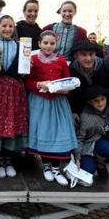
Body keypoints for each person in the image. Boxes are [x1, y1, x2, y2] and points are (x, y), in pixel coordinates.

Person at [24, 31, 77, 186]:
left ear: (56, 45)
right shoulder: (32, 59)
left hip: (58, 102)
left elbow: (67, 81)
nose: (48, 46)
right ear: (39, 44)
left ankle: (56, 168)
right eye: (45, 43)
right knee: (44, 132)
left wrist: (63, 88)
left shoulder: (61, 61)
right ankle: (46, 166)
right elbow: (27, 81)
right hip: (39, 101)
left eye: (52, 43)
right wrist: (39, 84)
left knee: (58, 133)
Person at [0, 15, 28, 179]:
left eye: (11, 26)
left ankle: (8, 160)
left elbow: (23, 73)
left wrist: (26, 66)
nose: (7, 29)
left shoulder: (20, 46)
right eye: (4, 26)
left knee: (12, 122)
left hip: (15, 91)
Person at [68, 40, 109, 117]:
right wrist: (74, 111)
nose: (88, 58)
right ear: (76, 56)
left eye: (91, 54)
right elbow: (73, 94)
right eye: (84, 55)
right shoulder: (71, 70)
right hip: (85, 110)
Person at [74, 85, 109, 181]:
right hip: (87, 146)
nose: (100, 103)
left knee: (108, 148)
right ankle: (92, 161)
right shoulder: (86, 117)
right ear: (90, 102)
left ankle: (100, 162)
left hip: (100, 143)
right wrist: (77, 158)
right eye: (96, 101)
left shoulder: (108, 110)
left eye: (102, 99)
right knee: (88, 170)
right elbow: (79, 138)